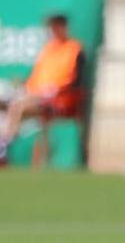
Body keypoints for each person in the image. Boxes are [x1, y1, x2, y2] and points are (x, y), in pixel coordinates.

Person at [0, 14, 85, 162]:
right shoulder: (48, 49)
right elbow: (36, 77)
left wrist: (53, 90)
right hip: (35, 95)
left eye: (55, 26)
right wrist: (23, 85)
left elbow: (74, 81)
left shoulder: (74, 49)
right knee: (6, 104)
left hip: (58, 98)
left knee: (17, 107)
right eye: (51, 27)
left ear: (63, 27)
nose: (52, 30)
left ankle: (3, 148)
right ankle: (4, 142)